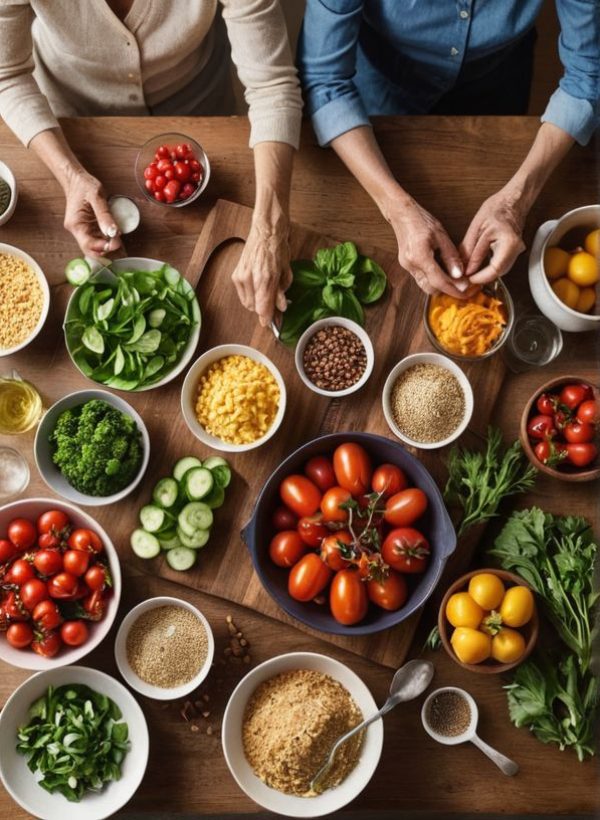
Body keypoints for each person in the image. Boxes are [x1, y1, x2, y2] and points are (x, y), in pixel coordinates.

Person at [0, 0, 303, 326]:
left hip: (201, 106)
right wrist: (71, 176)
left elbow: (272, 87)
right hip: (71, 117)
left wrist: (271, 228)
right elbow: (8, 76)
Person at [298, 1, 599, 297]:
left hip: (497, 85)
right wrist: (397, 208)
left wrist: (515, 202)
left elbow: (587, 76)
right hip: (382, 91)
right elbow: (324, 79)